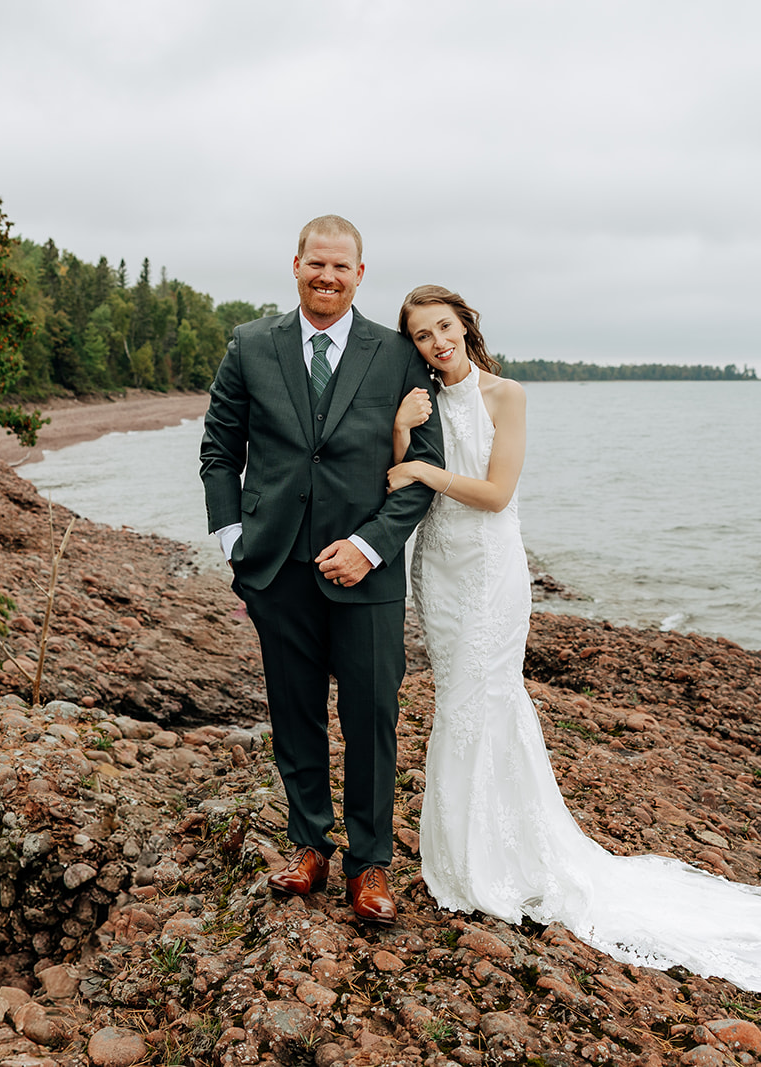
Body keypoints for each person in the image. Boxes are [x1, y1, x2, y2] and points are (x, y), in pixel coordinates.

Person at [387, 284, 761, 991]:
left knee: (483, 699)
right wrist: (403, 432)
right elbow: (394, 480)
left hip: (488, 568)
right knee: (459, 697)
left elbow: (496, 493)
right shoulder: (418, 398)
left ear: (466, 326)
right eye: (422, 335)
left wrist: (422, 464)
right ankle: (463, 857)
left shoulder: (505, 395)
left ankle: (495, 862)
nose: (437, 342)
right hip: (439, 569)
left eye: (445, 327)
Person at [200, 217, 443, 924]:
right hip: (275, 567)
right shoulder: (251, 344)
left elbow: (424, 469)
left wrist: (371, 545)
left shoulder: (398, 354)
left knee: (372, 715)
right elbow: (220, 447)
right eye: (316, 264)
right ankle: (310, 843)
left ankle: (370, 863)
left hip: (366, 572)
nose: (327, 277)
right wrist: (234, 541)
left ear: (361, 273)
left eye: (341, 266)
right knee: (295, 713)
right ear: (296, 264)